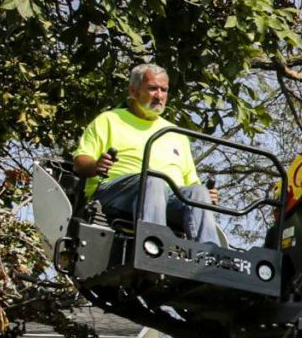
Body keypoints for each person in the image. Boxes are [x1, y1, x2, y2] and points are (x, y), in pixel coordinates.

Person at [73, 64, 220, 243]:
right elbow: (80, 161)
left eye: (163, 89)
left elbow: (192, 183)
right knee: (153, 179)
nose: (159, 95)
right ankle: (153, 246)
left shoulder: (174, 132)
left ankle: (211, 258)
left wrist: (208, 195)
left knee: (198, 193)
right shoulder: (109, 120)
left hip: (167, 197)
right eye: (152, 88)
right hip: (115, 193)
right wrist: (96, 165)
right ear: (133, 91)